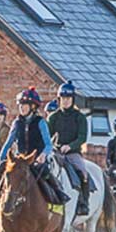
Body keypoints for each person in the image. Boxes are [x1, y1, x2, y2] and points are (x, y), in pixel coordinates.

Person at [0, 87, 70, 205]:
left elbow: (48, 144)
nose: (21, 107)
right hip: (20, 160)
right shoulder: (17, 123)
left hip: (36, 160)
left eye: (25, 105)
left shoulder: (40, 122)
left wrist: (43, 155)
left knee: (44, 171)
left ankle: (58, 193)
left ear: (33, 107)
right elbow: (8, 143)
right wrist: (0, 159)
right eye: (20, 105)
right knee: (2, 171)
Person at [45, 81, 94, 214]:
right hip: (56, 152)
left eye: (68, 98)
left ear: (72, 100)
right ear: (59, 99)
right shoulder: (53, 117)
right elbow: (47, 136)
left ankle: (83, 202)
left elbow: (82, 137)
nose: (65, 101)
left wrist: (70, 146)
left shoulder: (80, 117)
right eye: (63, 98)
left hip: (73, 153)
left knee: (83, 172)